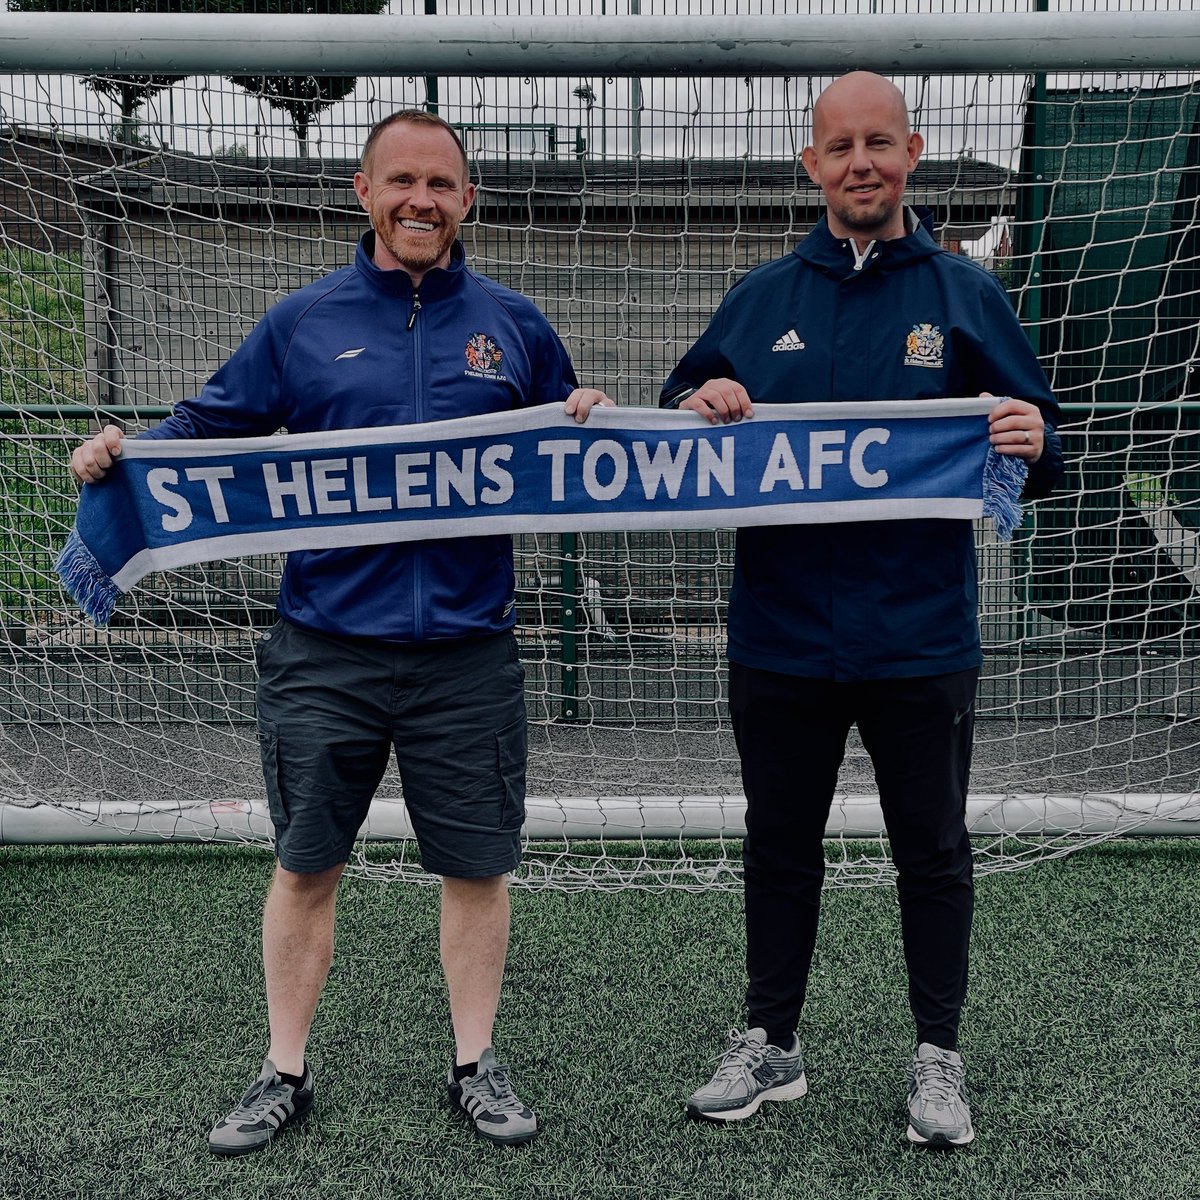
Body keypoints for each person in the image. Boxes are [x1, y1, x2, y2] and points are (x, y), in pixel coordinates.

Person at [70, 110, 613, 1155]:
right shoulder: (304, 321)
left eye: (443, 183)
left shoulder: (515, 322)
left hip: (467, 650)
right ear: (362, 193)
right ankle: (284, 1070)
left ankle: (475, 1063)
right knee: (308, 862)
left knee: (477, 866)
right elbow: (206, 429)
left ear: (469, 200)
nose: (423, 200)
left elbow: (573, 432)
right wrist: (126, 452)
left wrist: (587, 406)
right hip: (326, 649)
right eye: (402, 180)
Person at [661, 72, 1063, 1147]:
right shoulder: (761, 298)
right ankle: (770, 1043)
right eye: (839, 147)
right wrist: (702, 402)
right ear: (812, 165)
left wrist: (1034, 441)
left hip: (920, 635)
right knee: (780, 845)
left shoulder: (963, 295)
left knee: (929, 849)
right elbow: (675, 418)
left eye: (879, 143)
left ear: (913, 152)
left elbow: (1042, 437)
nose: (860, 164)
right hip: (780, 633)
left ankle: (939, 1055)